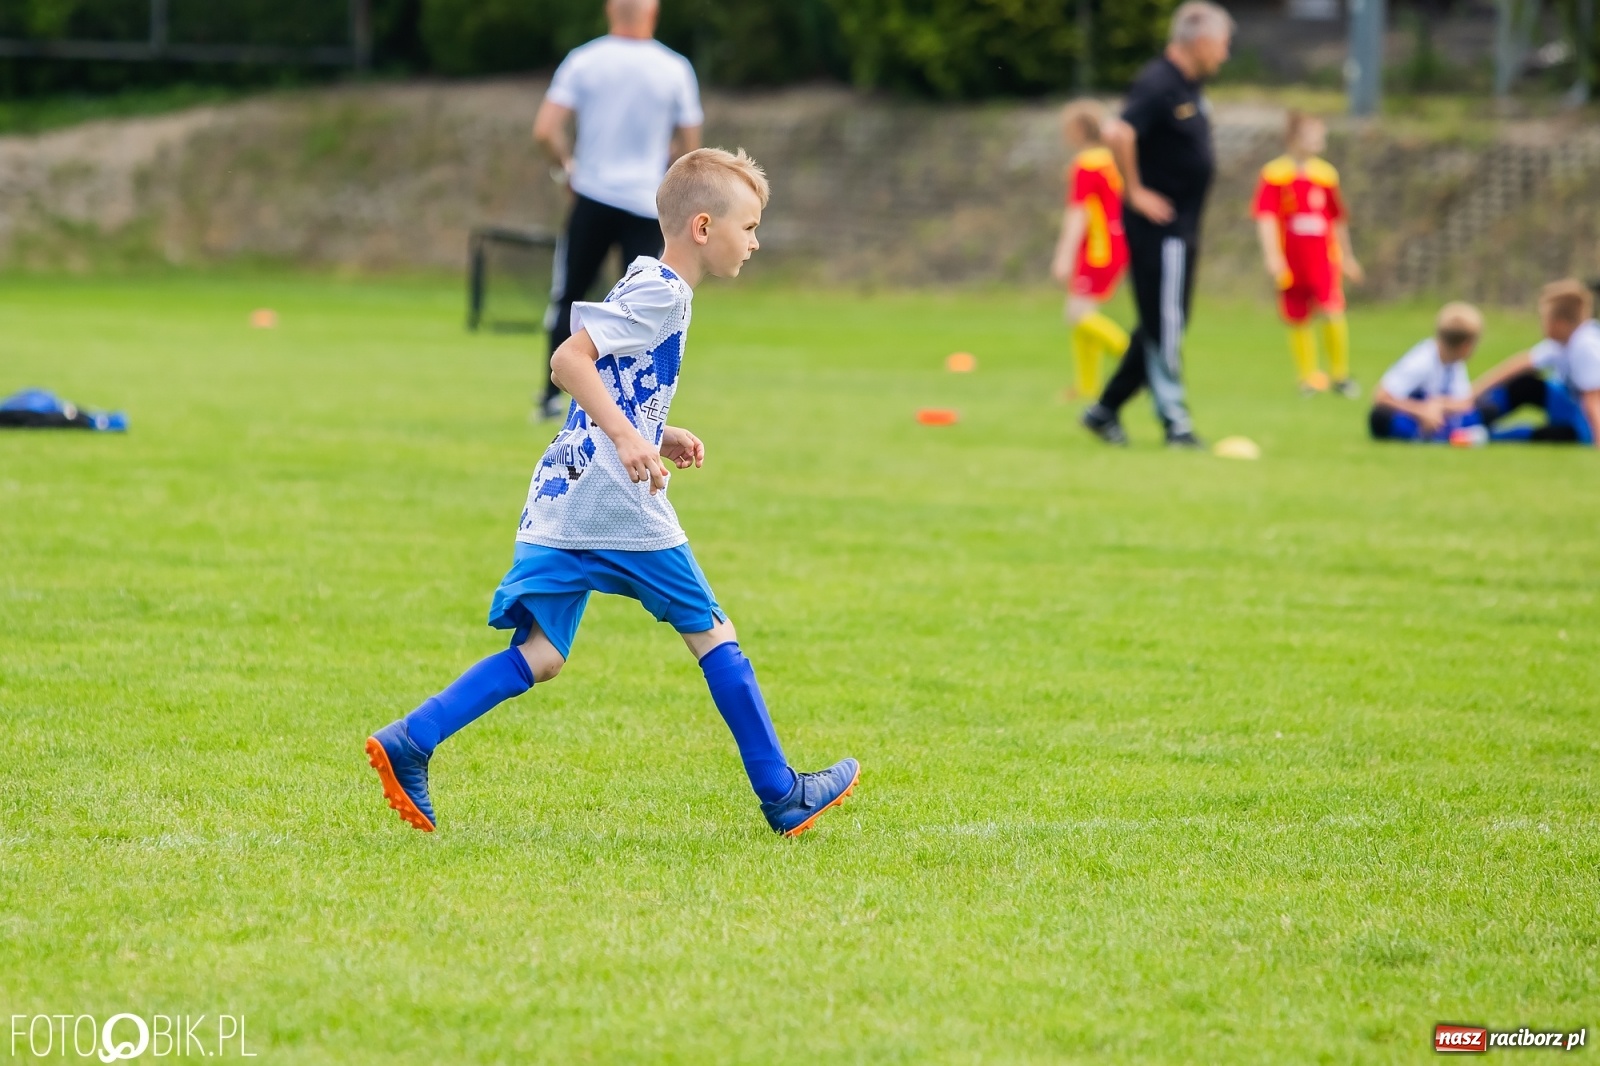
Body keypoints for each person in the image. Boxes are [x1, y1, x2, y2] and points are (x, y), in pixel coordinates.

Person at [366, 149, 859, 838]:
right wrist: (631, 442)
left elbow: (614, 380)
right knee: (712, 631)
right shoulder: (663, 292)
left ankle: (410, 740)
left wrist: (654, 432)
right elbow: (569, 360)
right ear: (703, 226)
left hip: (564, 491)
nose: (755, 241)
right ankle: (782, 793)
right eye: (749, 226)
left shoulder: (648, 281)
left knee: (543, 655)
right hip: (612, 495)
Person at [531, 0, 704, 421]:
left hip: (592, 195)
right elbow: (692, 146)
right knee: (644, 305)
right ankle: (635, 403)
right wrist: (665, 162)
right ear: (654, 12)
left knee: (571, 294)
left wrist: (566, 169)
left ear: (610, 10)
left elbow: (545, 130)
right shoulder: (675, 67)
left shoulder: (584, 60)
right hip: (647, 203)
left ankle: (551, 397)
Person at [1080, 0, 1233, 449]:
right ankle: (1175, 422)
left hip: (1182, 229)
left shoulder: (1189, 86)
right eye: (1222, 45)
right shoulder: (1159, 81)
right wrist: (1135, 191)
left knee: (1161, 324)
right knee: (1165, 324)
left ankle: (1104, 409)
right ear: (1200, 40)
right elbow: (1117, 131)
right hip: (1160, 231)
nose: (1224, 55)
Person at [1252, 110, 1364, 396]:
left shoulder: (1326, 175)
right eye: (1311, 134)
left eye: (1320, 135)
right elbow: (1265, 217)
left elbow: (1336, 218)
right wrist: (1272, 256)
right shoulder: (1274, 174)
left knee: (1332, 310)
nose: (1317, 140)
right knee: (1298, 316)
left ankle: (1340, 375)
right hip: (1292, 259)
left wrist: (1348, 256)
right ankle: (1308, 377)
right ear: (1293, 138)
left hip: (1324, 257)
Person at [1051, 100, 1130, 401]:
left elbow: (1079, 213)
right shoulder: (1111, 160)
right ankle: (1087, 387)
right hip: (1114, 244)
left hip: (1098, 248)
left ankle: (1136, 360)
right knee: (1083, 315)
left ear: (1080, 129)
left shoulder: (1087, 164)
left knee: (1077, 315)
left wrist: (1064, 255)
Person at [1472, 279, 1600, 445]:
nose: (1541, 325)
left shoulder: (1585, 346)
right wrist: (1472, 394)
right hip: (1570, 403)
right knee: (1526, 384)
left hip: (1585, 417)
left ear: (1559, 324)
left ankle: (1482, 435)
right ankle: (1473, 417)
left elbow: (1593, 399)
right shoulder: (1563, 340)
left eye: (1544, 319)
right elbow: (1522, 363)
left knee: (1555, 435)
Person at [1369, 302, 1484, 442]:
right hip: (1411, 412)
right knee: (1382, 418)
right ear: (1465, 346)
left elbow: (1464, 402)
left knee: (1479, 412)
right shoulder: (1421, 361)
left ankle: (1450, 435)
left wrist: (1439, 405)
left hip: (1438, 414)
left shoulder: (1454, 362)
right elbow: (1381, 397)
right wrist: (1422, 411)